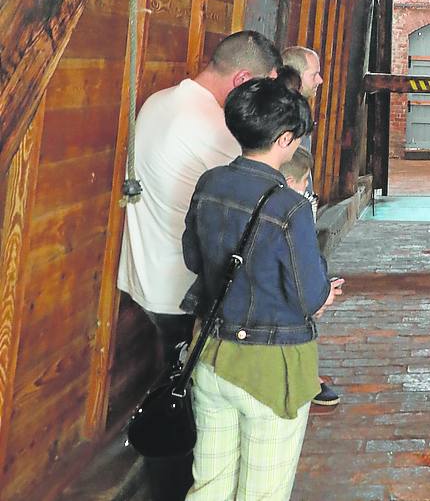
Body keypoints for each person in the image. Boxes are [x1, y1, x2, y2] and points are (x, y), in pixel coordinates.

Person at [182, 77, 343, 501]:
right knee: (263, 491)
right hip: (270, 364)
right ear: (285, 138)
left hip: (211, 352)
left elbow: (194, 260)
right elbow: (309, 297)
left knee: (210, 483)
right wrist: (324, 294)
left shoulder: (210, 182)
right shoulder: (289, 206)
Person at [118, 31, 281, 369]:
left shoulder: (159, 100)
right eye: (262, 88)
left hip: (144, 273)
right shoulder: (218, 129)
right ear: (242, 80)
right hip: (183, 289)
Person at [280, 146, 340, 408]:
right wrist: (319, 295)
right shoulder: (294, 211)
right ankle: (304, 379)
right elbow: (304, 257)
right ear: (289, 181)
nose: (307, 187)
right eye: (305, 181)